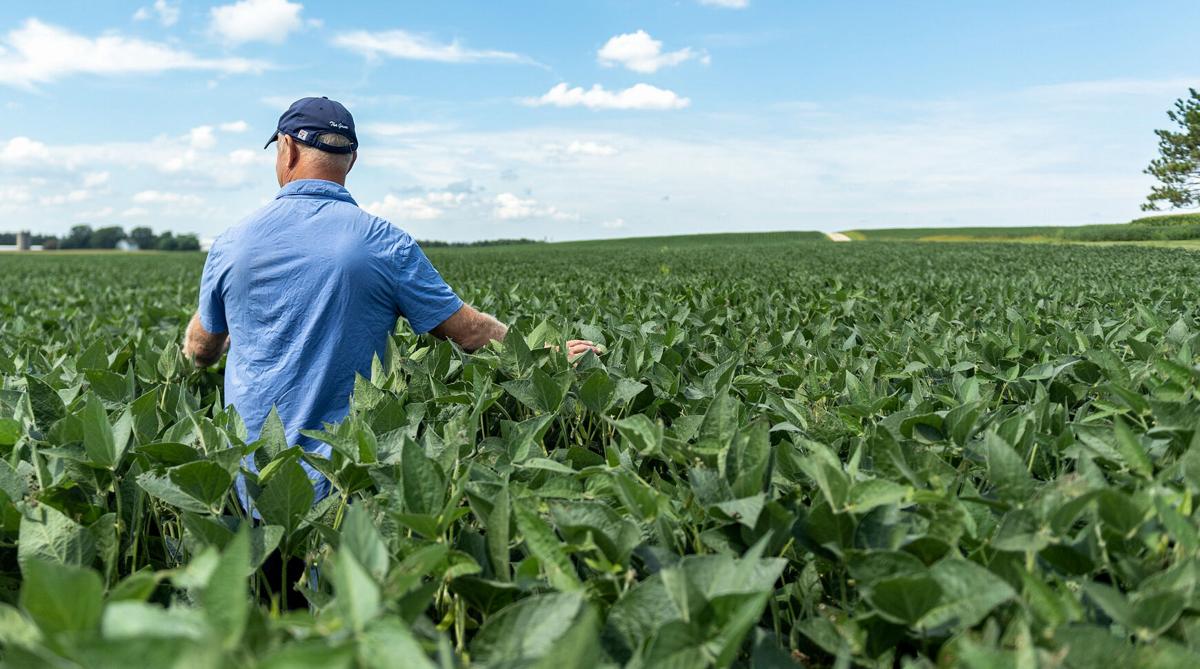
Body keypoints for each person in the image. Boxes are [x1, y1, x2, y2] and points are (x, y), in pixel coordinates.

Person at [183, 96, 598, 507]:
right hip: (347, 479)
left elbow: (201, 348)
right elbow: (469, 333)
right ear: (352, 159)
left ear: (287, 148)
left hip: (247, 480)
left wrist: (214, 349)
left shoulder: (232, 244)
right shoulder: (384, 242)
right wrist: (547, 353)